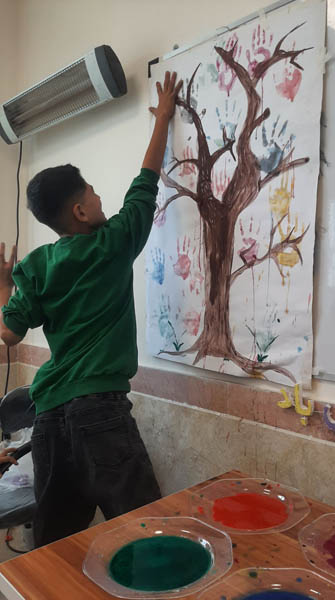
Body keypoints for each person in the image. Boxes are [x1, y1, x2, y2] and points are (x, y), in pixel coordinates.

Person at [0, 71, 182, 547]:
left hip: (48, 420)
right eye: (93, 192)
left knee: (56, 545)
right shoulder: (112, 244)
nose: (101, 197)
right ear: (81, 212)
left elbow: (9, 333)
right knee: (147, 532)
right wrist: (163, 118)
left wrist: (3, 283)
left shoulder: (36, 266)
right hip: (100, 413)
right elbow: (145, 184)